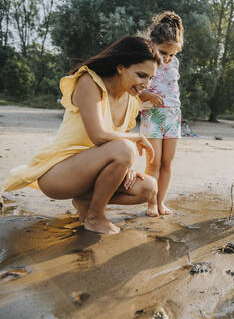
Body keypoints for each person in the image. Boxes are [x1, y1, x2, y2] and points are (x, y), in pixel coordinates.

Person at [2, 36, 162, 234]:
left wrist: (126, 166)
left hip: (92, 171)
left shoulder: (131, 101)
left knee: (148, 187)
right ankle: (95, 217)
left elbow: (115, 143)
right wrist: (134, 140)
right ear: (121, 67)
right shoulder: (89, 82)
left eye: (151, 77)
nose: (147, 83)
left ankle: (84, 200)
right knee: (125, 149)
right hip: (59, 173)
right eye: (141, 75)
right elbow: (99, 135)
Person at [139, 11, 184, 216]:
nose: (167, 58)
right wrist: (147, 94)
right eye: (163, 52)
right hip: (152, 116)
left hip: (173, 115)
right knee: (154, 162)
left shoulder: (174, 63)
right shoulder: (144, 61)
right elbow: (133, 89)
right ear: (152, 44)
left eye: (171, 54)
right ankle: (150, 203)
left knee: (167, 162)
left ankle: (161, 202)